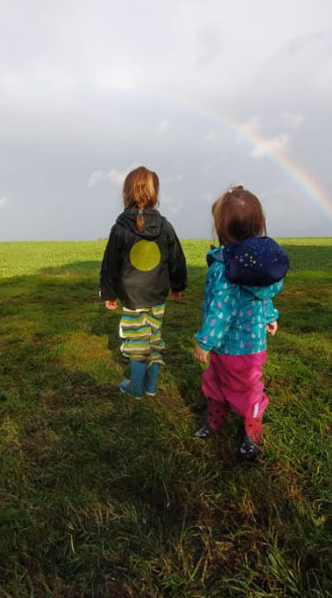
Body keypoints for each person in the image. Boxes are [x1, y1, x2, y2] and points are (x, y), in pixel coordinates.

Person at [193, 186, 289, 461]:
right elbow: (261, 294)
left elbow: (220, 310)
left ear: (221, 226)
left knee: (245, 391)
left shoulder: (226, 267)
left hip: (231, 346)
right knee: (217, 381)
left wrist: (204, 342)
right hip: (251, 343)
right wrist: (271, 317)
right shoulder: (257, 264)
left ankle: (252, 434)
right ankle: (216, 420)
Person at [99, 166, 187, 398]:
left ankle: (135, 388)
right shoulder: (165, 226)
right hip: (158, 295)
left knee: (136, 339)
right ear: (155, 194)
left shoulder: (119, 228)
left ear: (127, 193)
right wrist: (178, 286)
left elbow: (110, 265)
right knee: (154, 338)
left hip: (132, 297)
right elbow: (177, 259)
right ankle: (150, 387)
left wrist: (108, 293)